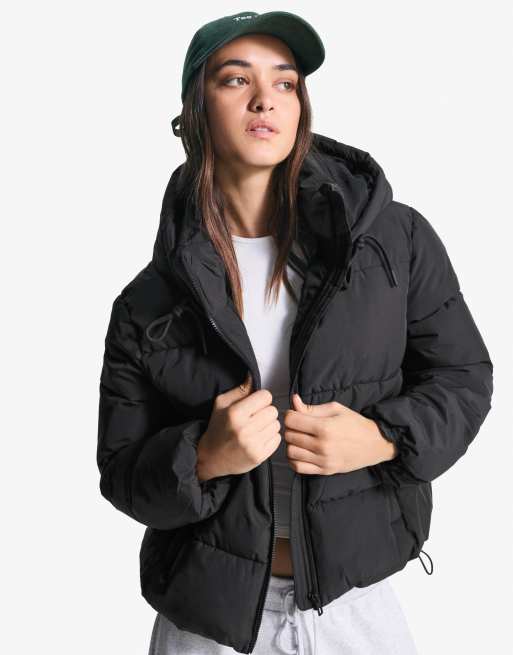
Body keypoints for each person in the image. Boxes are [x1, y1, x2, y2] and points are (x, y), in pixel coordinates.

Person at [96, 10, 494, 655]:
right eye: (235, 79)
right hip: (208, 622)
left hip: (354, 609)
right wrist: (203, 457)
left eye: (285, 82)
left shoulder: (392, 240)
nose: (265, 99)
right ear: (194, 111)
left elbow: (463, 378)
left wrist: (383, 438)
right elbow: (121, 474)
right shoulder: (148, 300)